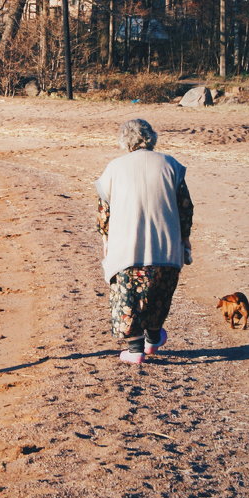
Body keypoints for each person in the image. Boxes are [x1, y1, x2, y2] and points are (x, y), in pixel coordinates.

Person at [95, 119, 193, 364]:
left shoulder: (114, 168)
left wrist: (105, 238)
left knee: (127, 297)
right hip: (166, 247)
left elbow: (104, 211)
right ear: (151, 137)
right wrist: (185, 239)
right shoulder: (171, 165)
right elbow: (185, 209)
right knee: (159, 294)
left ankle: (136, 349)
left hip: (128, 247)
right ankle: (153, 338)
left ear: (124, 141)